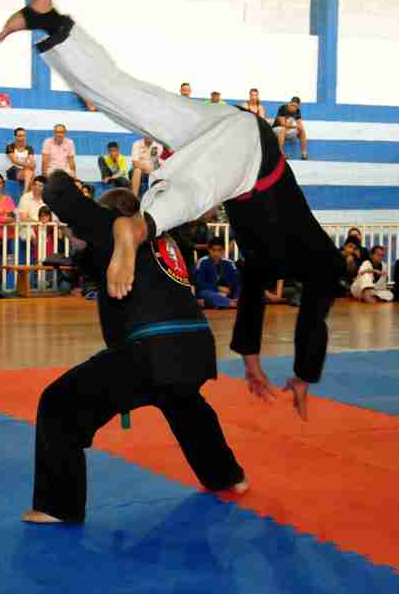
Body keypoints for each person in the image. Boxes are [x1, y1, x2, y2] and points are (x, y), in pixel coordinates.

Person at [0, 0, 343, 420]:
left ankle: (51, 23)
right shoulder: (319, 262)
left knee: (126, 96)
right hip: (250, 156)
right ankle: (139, 226)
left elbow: (258, 297)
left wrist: (252, 360)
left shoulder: (270, 255)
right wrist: (305, 376)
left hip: (229, 125)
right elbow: (312, 319)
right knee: (192, 190)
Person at [22, 171, 246, 524]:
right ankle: (227, 476)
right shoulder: (167, 240)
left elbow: (56, 189)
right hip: (195, 347)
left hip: (150, 350)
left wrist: (57, 179)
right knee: (184, 403)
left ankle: (56, 506)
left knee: (59, 405)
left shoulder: (114, 227)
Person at [196, 237, 240, 309]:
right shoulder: (202, 262)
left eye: (219, 250)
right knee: (206, 294)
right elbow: (199, 284)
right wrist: (217, 288)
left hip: (228, 294)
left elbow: (237, 283)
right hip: (209, 292)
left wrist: (236, 296)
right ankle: (230, 303)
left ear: (223, 251)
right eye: (213, 250)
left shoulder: (229, 263)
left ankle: (230, 302)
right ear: (209, 250)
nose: (216, 253)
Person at [6, 127, 37, 193]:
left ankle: (26, 192)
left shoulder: (29, 147)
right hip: (13, 170)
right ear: (15, 137)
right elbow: (14, 161)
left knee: (30, 173)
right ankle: (27, 194)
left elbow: (32, 160)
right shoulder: (10, 147)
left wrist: (33, 164)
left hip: (25, 171)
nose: (22, 138)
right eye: (20, 136)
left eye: (24, 136)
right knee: (30, 173)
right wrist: (28, 165)